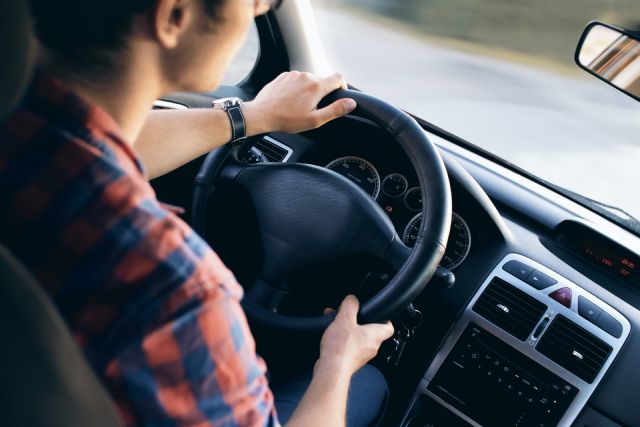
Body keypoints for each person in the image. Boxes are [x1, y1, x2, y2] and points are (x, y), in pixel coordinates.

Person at [0, 0, 394, 426]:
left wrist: (253, 116)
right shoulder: (173, 290)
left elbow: (98, 143)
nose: (260, 9)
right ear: (174, 16)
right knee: (367, 383)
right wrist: (336, 361)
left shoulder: (21, 130)